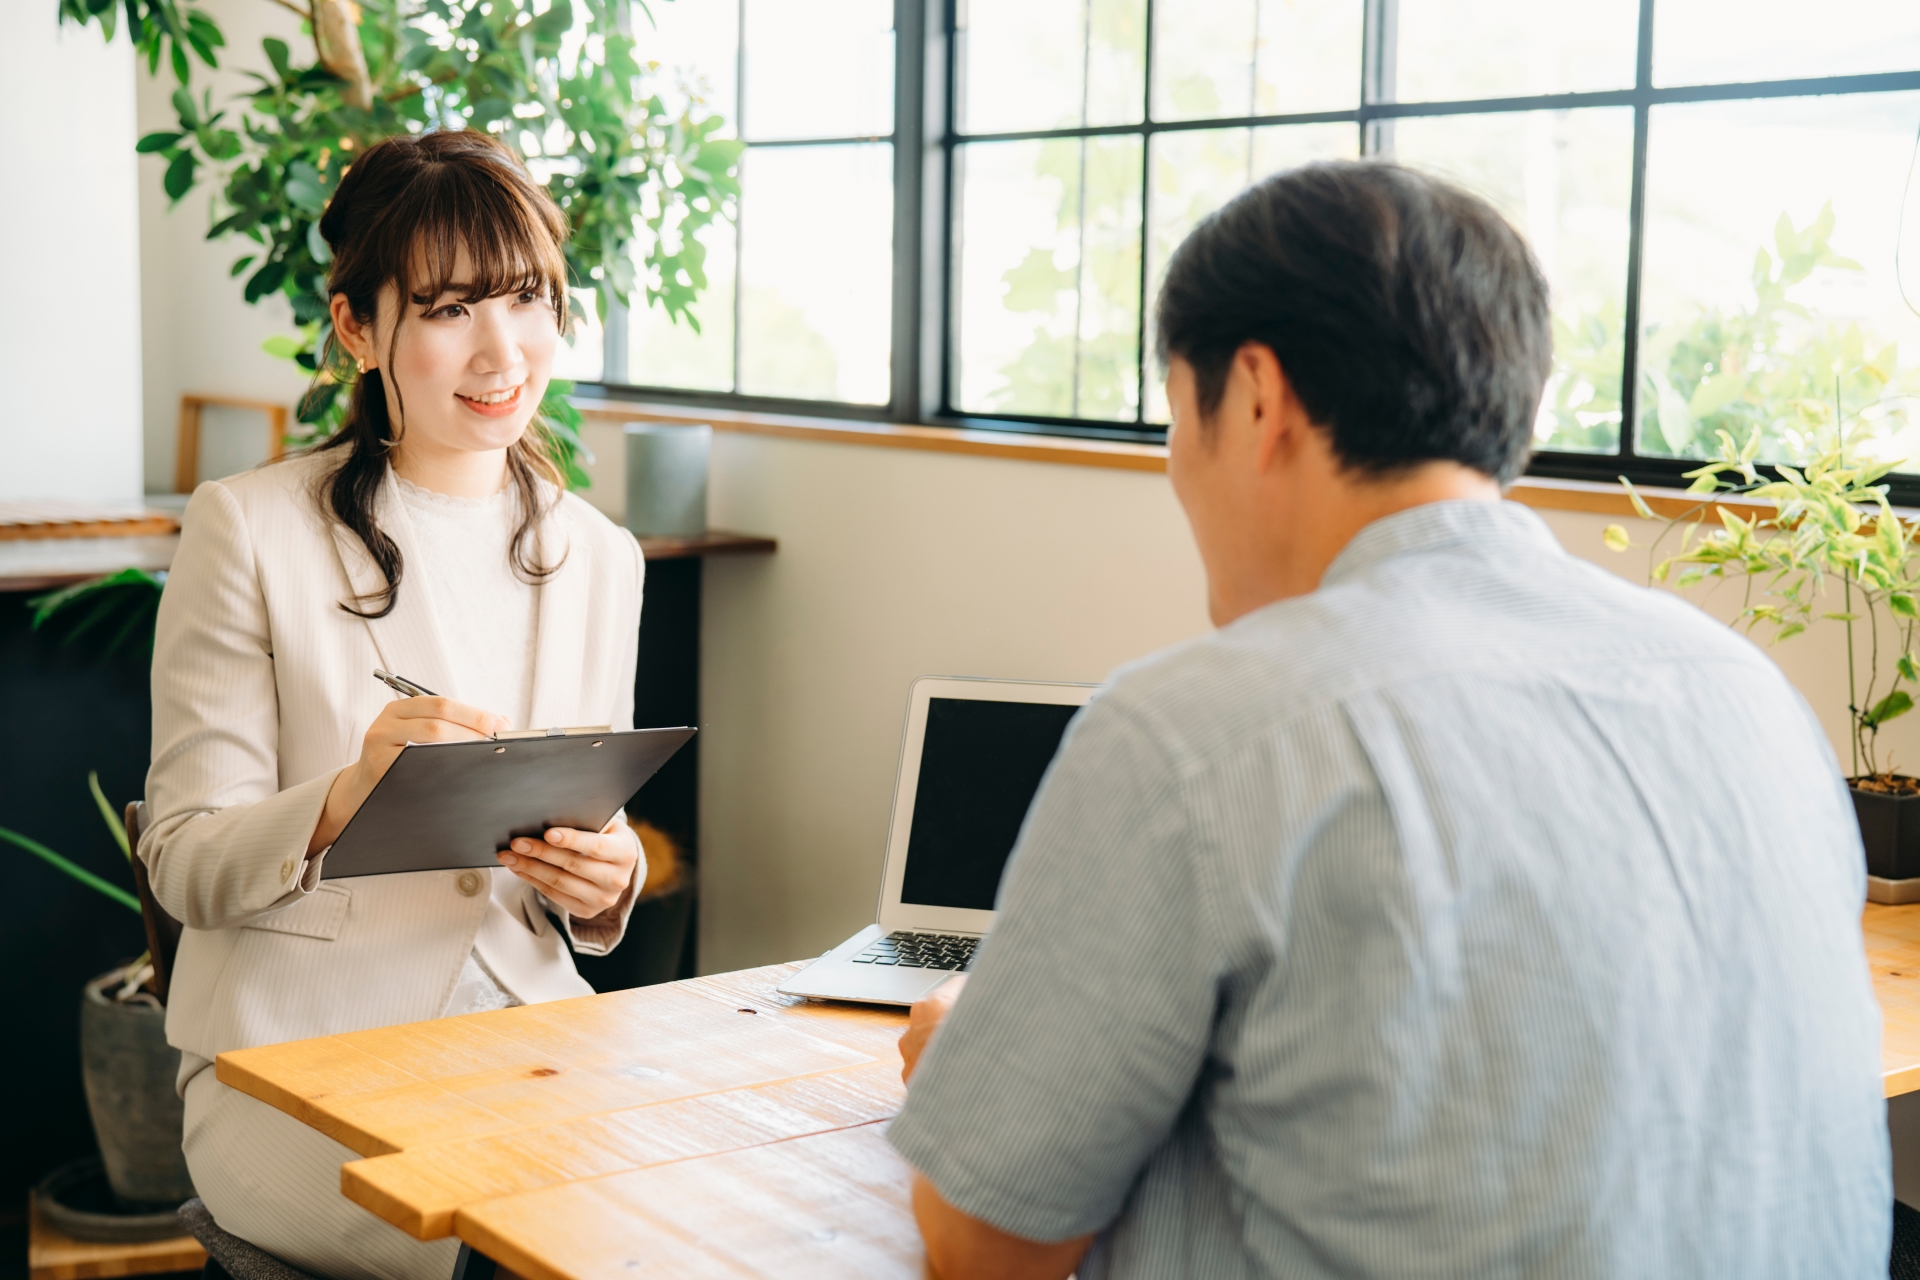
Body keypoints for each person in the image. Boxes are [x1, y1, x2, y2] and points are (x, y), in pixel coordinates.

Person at [886, 160, 1890, 1279]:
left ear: (1258, 397)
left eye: (1178, 414)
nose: (1174, 463)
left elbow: (985, 1242)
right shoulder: (1746, 691)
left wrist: (972, 1062)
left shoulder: (1196, 730)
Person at [141, 130, 646, 1280]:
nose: (501, 349)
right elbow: (183, 861)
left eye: (526, 300)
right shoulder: (250, 528)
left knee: (698, 1208)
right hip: (295, 1062)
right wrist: (344, 796)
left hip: (531, 1038)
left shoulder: (603, 557)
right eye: (449, 309)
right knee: (513, 1246)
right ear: (358, 330)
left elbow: (583, 839)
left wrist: (607, 880)